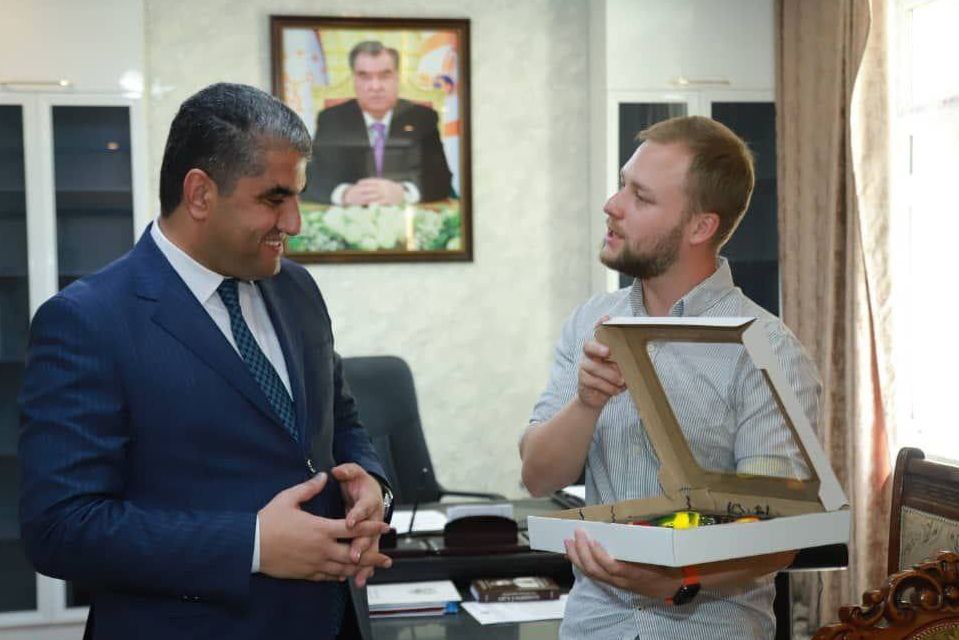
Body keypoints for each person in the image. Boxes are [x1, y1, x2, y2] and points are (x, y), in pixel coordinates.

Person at [18, 82, 394, 640]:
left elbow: (341, 424)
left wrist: (371, 484)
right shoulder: (87, 320)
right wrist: (253, 545)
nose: (294, 222)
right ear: (199, 194)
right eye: (274, 199)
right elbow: (61, 528)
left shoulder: (296, 289)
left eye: (298, 196)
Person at [519, 116, 822, 639]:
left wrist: (674, 582)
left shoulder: (766, 351)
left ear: (700, 227)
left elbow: (777, 536)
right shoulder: (590, 323)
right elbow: (538, 477)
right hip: (594, 627)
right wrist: (587, 402)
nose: (612, 205)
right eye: (622, 185)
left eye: (640, 197)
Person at [305, 40, 453, 206]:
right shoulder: (331, 119)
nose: (375, 86)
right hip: (350, 216)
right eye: (364, 76)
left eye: (384, 76)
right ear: (354, 80)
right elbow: (312, 178)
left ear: (397, 78)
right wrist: (345, 194)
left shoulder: (423, 118)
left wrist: (404, 192)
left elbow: (441, 179)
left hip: (403, 216)